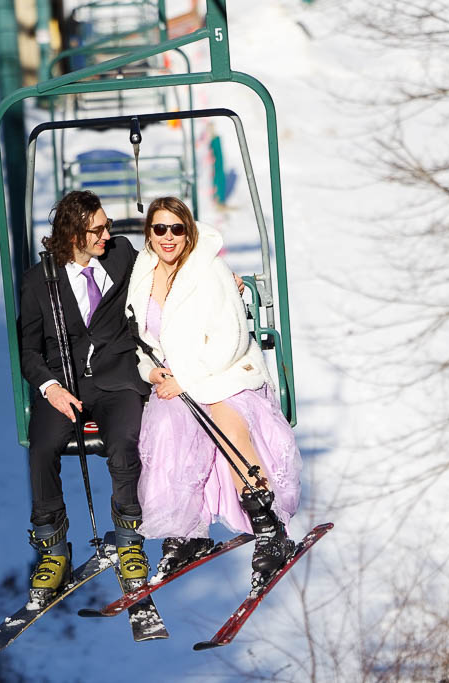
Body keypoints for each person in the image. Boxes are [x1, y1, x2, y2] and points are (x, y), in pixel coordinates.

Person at [125, 196, 303, 587]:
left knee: (227, 424)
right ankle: (185, 533)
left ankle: (269, 528)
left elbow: (232, 337)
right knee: (168, 432)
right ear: (149, 234)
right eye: (160, 229)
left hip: (223, 372)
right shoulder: (142, 275)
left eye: (177, 228)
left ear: (188, 232)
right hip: (174, 382)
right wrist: (151, 373)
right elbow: (141, 342)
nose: (168, 237)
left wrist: (185, 377)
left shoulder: (210, 269)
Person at [17, 190, 150, 602]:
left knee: (125, 443)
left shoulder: (123, 255)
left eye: (107, 225)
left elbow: (171, 266)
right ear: (75, 233)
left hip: (118, 379)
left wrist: (225, 279)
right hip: (65, 385)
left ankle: (129, 539)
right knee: (42, 448)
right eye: (99, 228)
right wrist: (50, 387)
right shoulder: (40, 281)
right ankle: (52, 547)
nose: (108, 234)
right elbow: (29, 349)